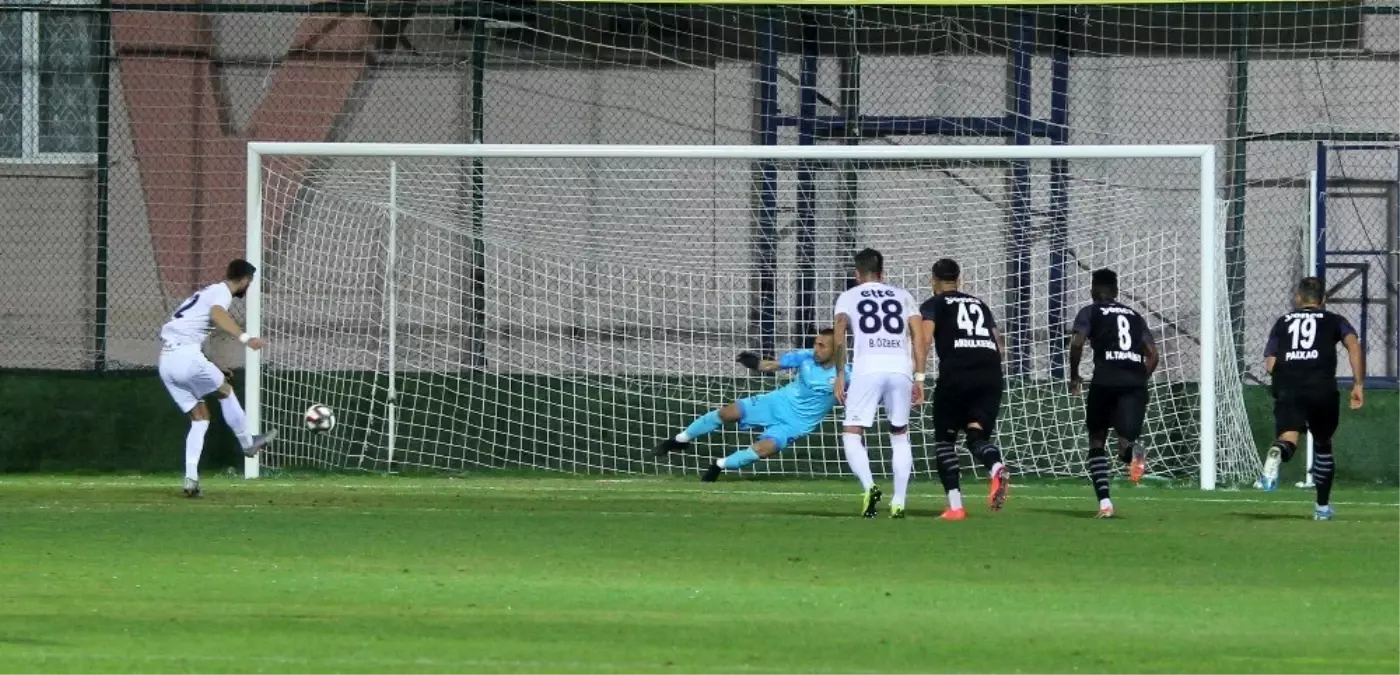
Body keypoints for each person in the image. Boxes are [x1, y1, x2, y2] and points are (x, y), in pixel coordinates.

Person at [652, 328, 847, 482]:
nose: (816, 349)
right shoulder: (805, 357)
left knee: (763, 450)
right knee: (727, 413)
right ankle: (680, 440)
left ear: (836, 350)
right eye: (816, 344)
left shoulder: (847, 374)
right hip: (775, 402)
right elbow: (772, 365)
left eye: (822, 346)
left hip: (794, 425)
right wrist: (754, 363)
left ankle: (719, 465)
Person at [158, 259, 275, 497]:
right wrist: (245, 339)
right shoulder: (222, 294)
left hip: (167, 361)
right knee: (226, 390)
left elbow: (189, 330)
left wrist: (214, 367)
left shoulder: (206, 292)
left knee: (200, 418)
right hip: (186, 356)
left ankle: (190, 479)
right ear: (245, 281)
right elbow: (217, 313)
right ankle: (247, 443)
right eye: (249, 283)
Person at [1258, 277, 1365, 520]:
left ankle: (1278, 452)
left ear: (1298, 298)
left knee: (1289, 438)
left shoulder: (1283, 322)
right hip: (1321, 388)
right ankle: (1322, 508)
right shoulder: (1335, 320)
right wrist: (1358, 384)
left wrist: (1286, 381)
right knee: (1323, 445)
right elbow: (1354, 346)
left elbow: (1270, 363)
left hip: (1289, 385)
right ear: (1323, 300)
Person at [913, 258, 1008, 521]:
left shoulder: (934, 304)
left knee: (945, 441)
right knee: (976, 436)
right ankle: (996, 467)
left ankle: (956, 506)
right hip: (990, 375)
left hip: (957, 375)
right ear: (960, 279)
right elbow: (1000, 346)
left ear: (933, 280)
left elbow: (925, 340)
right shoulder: (981, 304)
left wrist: (918, 377)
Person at [832, 248, 919, 518]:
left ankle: (869, 486)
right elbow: (920, 337)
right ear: (882, 273)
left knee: (852, 431)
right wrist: (919, 377)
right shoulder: (904, 295)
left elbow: (838, 335)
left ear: (857, 274)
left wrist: (839, 375)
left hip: (867, 368)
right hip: (900, 368)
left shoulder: (848, 296)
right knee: (900, 434)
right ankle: (899, 502)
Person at [1068, 268, 1158, 518]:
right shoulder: (1134, 315)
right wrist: (1138, 378)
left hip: (1105, 380)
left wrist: (1074, 374)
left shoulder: (1090, 311)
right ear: (1116, 291)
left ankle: (1105, 503)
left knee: (1098, 440)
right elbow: (1154, 355)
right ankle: (1133, 453)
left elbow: (1077, 343)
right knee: (1125, 443)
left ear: (1093, 289)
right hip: (1134, 383)